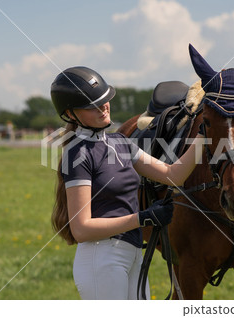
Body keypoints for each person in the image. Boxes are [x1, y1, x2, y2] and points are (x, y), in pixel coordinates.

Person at [50, 66, 204, 300]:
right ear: (71, 114)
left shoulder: (121, 143)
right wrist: (143, 218)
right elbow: (81, 228)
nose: (103, 107)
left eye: (104, 99)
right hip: (101, 257)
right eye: (92, 105)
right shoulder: (77, 154)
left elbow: (173, 174)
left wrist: (203, 135)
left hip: (133, 255)